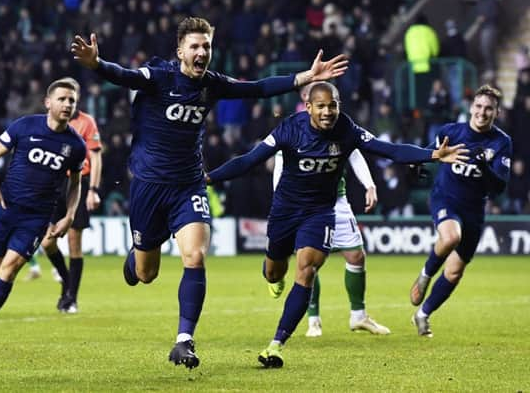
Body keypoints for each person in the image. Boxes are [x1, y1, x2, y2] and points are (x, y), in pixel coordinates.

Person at [70, 16, 348, 369]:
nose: (202, 52)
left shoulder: (212, 84)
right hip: (149, 187)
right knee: (145, 273)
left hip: (189, 184)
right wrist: (96, 63)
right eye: (196, 46)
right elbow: (123, 75)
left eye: (207, 46)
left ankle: (184, 340)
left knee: (196, 256)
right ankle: (138, 252)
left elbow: (258, 88)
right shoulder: (159, 77)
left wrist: (305, 79)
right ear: (180, 51)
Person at [206, 81, 469, 368]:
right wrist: (209, 177)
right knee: (273, 272)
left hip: (320, 211)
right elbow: (249, 160)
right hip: (286, 209)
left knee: (307, 269)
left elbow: (388, 149)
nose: (328, 111)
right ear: (308, 107)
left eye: (333, 105)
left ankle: (276, 344)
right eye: (321, 106)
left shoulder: (348, 129)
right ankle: (274, 277)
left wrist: (431, 154)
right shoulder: (289, 129)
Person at [0, 77, 86, 346]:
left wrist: (70, 215)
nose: (67, 104)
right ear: (48, 102)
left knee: (10, 268)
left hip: (36, 218)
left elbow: (75, 183)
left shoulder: (76, 146)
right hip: (6, 209)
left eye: (72, 101)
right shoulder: (25, 125)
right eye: (62, 99)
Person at [269, 85, 390, 337]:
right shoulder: (294, 127)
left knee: (356, 256)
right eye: (317, 102)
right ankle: (313, 319)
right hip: (301, 203)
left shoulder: (340, 126)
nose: (326, 108)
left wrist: (368, 184)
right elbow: (280, 163)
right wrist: (281, 201)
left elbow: (355, 153)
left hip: (337, 198)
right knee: (307, 261)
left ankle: (358, 316)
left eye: (331, 103)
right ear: (307, 101)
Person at [409, 85, 512, 337]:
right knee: (450, 237)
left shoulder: (501, 142)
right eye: (478, 106)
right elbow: (430, 151)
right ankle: (425, 275)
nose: (482, 112)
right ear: (471, 108)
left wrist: (484, 166)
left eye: (489, 108)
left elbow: (499, 186)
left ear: (496, 112)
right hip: (446, 198)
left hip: (474, 210)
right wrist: (419, 162)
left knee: (455, 272)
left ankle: (422, 315)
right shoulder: (451, 132)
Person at [39, 108, 103, 313]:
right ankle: (67, 282)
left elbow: (95, 157)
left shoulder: (87, 122)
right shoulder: (49, 123)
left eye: (71, 98)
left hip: (79, 183)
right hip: (55, 182)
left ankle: (71, 298)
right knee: (47, 242)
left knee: (74, 241)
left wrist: (93, 189)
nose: (68, 103)